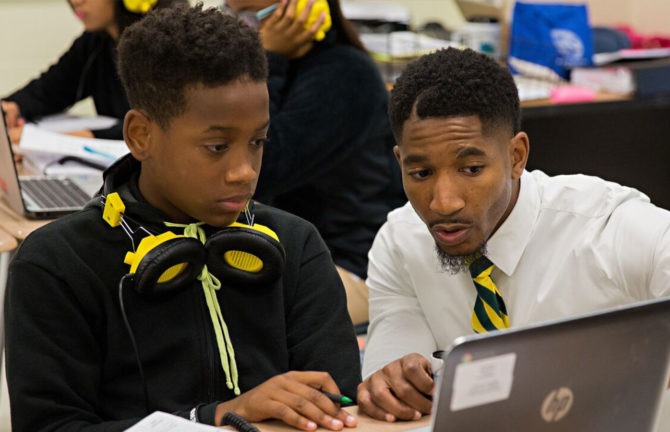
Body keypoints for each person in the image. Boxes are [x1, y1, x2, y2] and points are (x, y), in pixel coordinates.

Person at [356, 47, 670, 431]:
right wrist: (392, 384)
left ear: (516, 156)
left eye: (471, 168)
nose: (443, 203)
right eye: (421, 173)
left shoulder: (609, 227)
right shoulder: (400, 241)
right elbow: (393, 375)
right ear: (400, 163)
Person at [5, 5, 361, 431]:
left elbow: (340, 401)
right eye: (216, 146)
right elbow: (51, 426)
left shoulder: (296, 245)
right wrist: (213, 418)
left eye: (258, 141)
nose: (244, 171)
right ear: (140, 136)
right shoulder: (57, 265)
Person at [223, 0, 406, 326]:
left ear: (304, 8)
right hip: (290, 250)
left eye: (251, 17)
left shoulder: (346, 74)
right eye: (234, 15)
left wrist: (268, 59)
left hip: (350, 268)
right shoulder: (279, 69)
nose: (242, 29)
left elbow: (259, 172)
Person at [1, 0, 187, 144]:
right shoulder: (95, 43)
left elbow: (159, 125)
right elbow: (48, 91)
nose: (76, 2)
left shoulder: (171, 44)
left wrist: (83, 137)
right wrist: (13, 107)